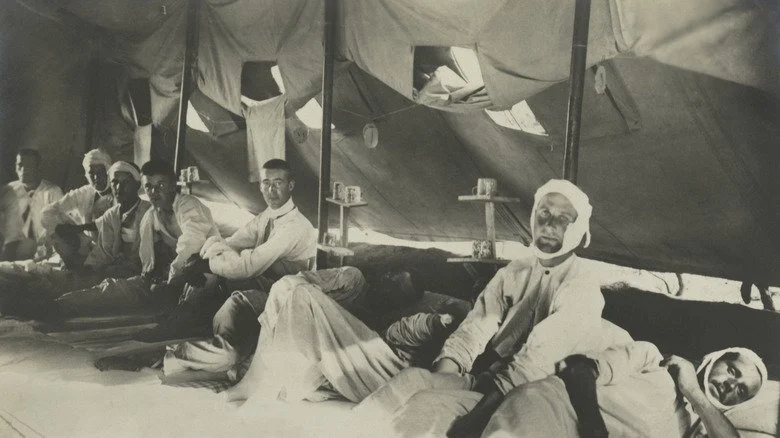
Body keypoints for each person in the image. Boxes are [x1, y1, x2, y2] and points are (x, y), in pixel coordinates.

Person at [224, 179, 606, 409]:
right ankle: (262, 380)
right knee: (301, 296)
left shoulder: (582, 284)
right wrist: (440, 376)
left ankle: (267, 382)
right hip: (428, 375)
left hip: (488, 390)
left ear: (579, 231)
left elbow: (539, 355)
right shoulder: (514, 272)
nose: (549, 225)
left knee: (302, 301)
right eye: (543, 213)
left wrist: (448, 390)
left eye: (562, 219)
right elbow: (472, 332)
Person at [137, 159, 317, 342]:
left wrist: (207, 264)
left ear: (291, 185)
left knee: (212, 274)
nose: (271, 190)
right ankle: (181, 317)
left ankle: (180, 322)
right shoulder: (268, 216)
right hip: (266, 281)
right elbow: (232, 241)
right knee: (208, 271)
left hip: (288, 295)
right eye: (266, 183)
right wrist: (202, 257)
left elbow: (249, 266)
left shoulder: (294, 226)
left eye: (278, 183)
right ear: (260, 186)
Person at [480, 344, 768, 438]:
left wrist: (692, 390)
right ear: (716, 358)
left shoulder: (694, 427)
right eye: (732, 371)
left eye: (741, 392)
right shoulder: (652, 358)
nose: (731, 386)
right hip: (552, 410)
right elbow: (579, 370)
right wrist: (595, 432)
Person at [54, 159, 219, 316]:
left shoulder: (188, 205)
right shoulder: (151, 215)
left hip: (202, 274)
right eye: (149, 186)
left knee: (172, 302)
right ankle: (60, 304)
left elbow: (192, 242)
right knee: (115, 288)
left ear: (172, 185)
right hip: (167, 278)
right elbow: (148, 261)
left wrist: (171, 279)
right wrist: (151, 277)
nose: (154, 192)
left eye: (160, 185)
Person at [41, 148, 114, 269]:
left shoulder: (119, 193)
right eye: (91, 173)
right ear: (86, 174)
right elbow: (47, 212)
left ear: (109, 171)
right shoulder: (84, 192)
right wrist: (73, 235)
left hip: (112, 252)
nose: (96, 178)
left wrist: (74, 229)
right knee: (57, 232)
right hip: (88, 248)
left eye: (101, 172)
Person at [1, 148, 63, 261]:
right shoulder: (8, 190)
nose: (23, 170)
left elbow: (60, 228)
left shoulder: (53, 192)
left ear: (38, 167)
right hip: (10, 251)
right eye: (20, 165)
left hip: (44, 253)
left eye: (29, 166)